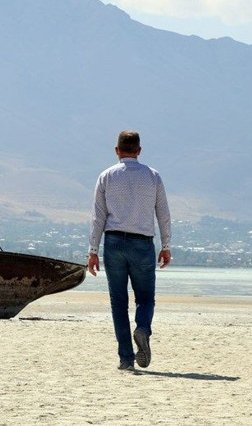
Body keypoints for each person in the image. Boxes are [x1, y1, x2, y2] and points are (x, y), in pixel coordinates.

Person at [88, 130, 171, 372]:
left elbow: (98, 217)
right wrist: (166, 246)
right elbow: (163, 214)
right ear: (139, 150)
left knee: (118, 302)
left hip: (114, 242)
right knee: (145, 299)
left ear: (117, 151)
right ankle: (142, 328)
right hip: (143, 243)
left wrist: (93, 250)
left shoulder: (106, 176)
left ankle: (126, 359)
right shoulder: (153, 176)